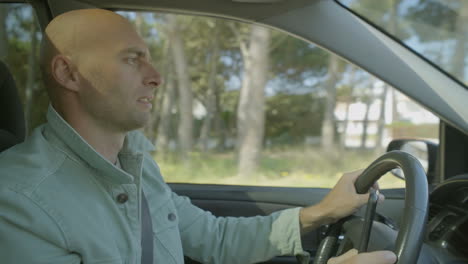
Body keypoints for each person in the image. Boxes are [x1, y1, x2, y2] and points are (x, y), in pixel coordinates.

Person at [0, 9, 397, 264]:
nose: (155, 76)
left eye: (148, 58)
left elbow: (214, 238)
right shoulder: (16, 200)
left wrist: (322, 212)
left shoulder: (137, 164)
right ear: (69, 74)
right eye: (131, 59)